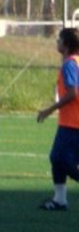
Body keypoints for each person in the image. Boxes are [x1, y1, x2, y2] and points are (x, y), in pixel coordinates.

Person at [36, 27, 79, 210]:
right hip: (71, 121)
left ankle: (60, 199)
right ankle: (59, 199)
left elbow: (72, 93)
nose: (57, 43)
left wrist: (49, 110)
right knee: (59, 159)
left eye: (59, 40)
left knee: (59, 159)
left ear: (66, 44)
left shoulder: (70, 64)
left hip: (72, 122)